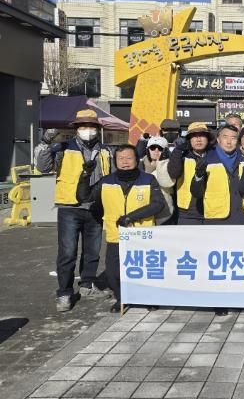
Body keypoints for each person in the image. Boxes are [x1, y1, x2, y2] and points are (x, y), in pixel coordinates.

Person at [34, 109, 113, 312]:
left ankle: (87, 285)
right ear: (77, 128)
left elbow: (111, 176)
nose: (88, 130)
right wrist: (45, 143)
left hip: (96, 207)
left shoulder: (105, 151)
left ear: (97, 128)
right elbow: (43, 167)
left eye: (91, 126)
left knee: (92, 251)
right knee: (68, 252)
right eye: (84, 126)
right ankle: (64, 293)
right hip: (70, 207)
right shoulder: (63, 147)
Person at [77, 144, 165, 313]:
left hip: (142, 235)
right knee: (113, 273)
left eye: (129, 158)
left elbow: (158, 204)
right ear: (115, 161)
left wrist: (131, 217)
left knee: (145, 270)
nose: (125, 162)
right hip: (116, 235)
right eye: (121, 159)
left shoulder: (148, 179)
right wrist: (85, 175)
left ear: (136, 159)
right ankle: (122, 298)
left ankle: (148, 298)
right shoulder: (106, 181)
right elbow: (83, 197)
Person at [190, 124, 244, 225]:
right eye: (225, 137)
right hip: (215, 218)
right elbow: (196, 193)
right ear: (218, 139)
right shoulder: (207, 159)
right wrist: (198, 176)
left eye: (233, 138)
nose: (229, 142)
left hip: (240, 216)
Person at [168, 121, 215, 225]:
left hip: (213, 210)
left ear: (208, 138)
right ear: (189, 140)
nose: (198, 139)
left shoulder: (216, 155)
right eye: (194, 136)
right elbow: (173, 173)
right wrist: (177, 152)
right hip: (187, 211)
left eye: (202, 135)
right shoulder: (181, 155)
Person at [140, 136, 174, 224]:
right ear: (148, 150)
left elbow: (167, 183)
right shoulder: (139, 165)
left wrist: (161, 163)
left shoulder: (170, 165)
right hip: (143, 213)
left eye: (160, 148)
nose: (156, 150)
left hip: (165, 214)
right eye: (152, 148)